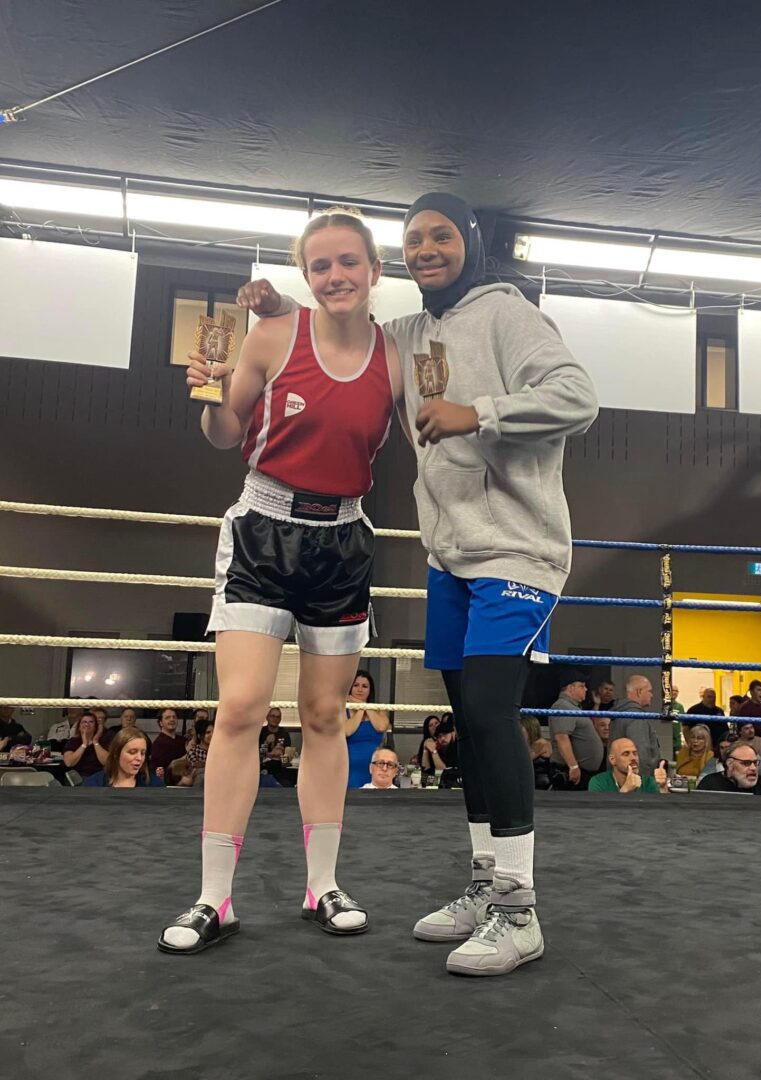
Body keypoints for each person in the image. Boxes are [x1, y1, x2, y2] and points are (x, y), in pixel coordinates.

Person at [242, 191, 598, 977]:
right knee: (465, 722)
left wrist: (482, 412)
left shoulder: (507, 313)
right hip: (450, 557)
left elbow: (577, 397)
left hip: (518, 552)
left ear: (468, 240)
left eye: (441, 235)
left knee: (487, 707)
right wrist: (280, 309)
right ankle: (484, 885)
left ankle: (518, 909)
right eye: (413, 240)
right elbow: (343, 329)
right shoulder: (404, 333)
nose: (426, 248)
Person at [158, 209, 401, 955]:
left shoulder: (397, 356)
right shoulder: (270, 335)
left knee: (327, 715)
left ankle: (321, 882)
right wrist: (209, 394)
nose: (335, 276)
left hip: (344, 538)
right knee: (238, 708)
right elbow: (227, 434)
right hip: (262, 527)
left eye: (347, 262)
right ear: (307, 274)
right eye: (320, 265)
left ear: (372, 271)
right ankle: (213, 898)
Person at [548, 668, 603, 789]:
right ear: (570, 688)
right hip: (571, 770)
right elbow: (561, 737)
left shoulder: (573, 708)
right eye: (582, 686)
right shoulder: (563, 706)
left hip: (581, 771)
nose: (586, 689)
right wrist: (573, 766)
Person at [345, 669, 390, 789]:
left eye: (365, 686)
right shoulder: (342, 710)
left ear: (370, 690)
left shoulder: (379, 708)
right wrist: (360, 708)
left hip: (377, 769)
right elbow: (347, 731)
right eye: (356, 685)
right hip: (350, 768)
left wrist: (363, 705)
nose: (360, 689)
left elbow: (381, 727)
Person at [608, 676, 661, 776]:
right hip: (635, 781)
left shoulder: (620, 713)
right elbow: (641, 754)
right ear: (639, 692)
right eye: (649, 691)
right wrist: (644, 782)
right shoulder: (635, 717)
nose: (652, 695)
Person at [83, 728, 165, 788]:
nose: (139, 758)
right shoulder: (93, 784)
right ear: (116, 753)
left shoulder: (155, 786)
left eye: (143, 753)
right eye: (132, 752)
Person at [588, 738, 669, 794]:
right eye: (626, 754)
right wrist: (625, 790)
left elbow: (661, 813)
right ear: (612, 760)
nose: (633, 758)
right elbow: (600, 814)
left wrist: (662, 788)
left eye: (635, 753)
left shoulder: (648, 782)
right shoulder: (599, 782)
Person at [697, 743, 761, 794]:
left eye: (755, 763)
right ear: (730, 764)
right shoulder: (710, 786)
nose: (753, 768)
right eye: (746, 763)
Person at [63, 711, 109, 779]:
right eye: (84, 722)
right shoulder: (73, 742)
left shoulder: (103, 741)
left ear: (95, 726)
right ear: (79, 726)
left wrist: (95, 742)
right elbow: (69, 763)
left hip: (100, 777)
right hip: (80, 778)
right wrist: (84, 744)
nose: (87, 724)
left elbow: (107, 762)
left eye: (91, 722)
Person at [151, 708, 187, 774]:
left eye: (174, 717)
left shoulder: (183, 740)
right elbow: (159, 771)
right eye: (167, 717)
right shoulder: (158, 745)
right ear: (161, 723)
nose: (172, 719)